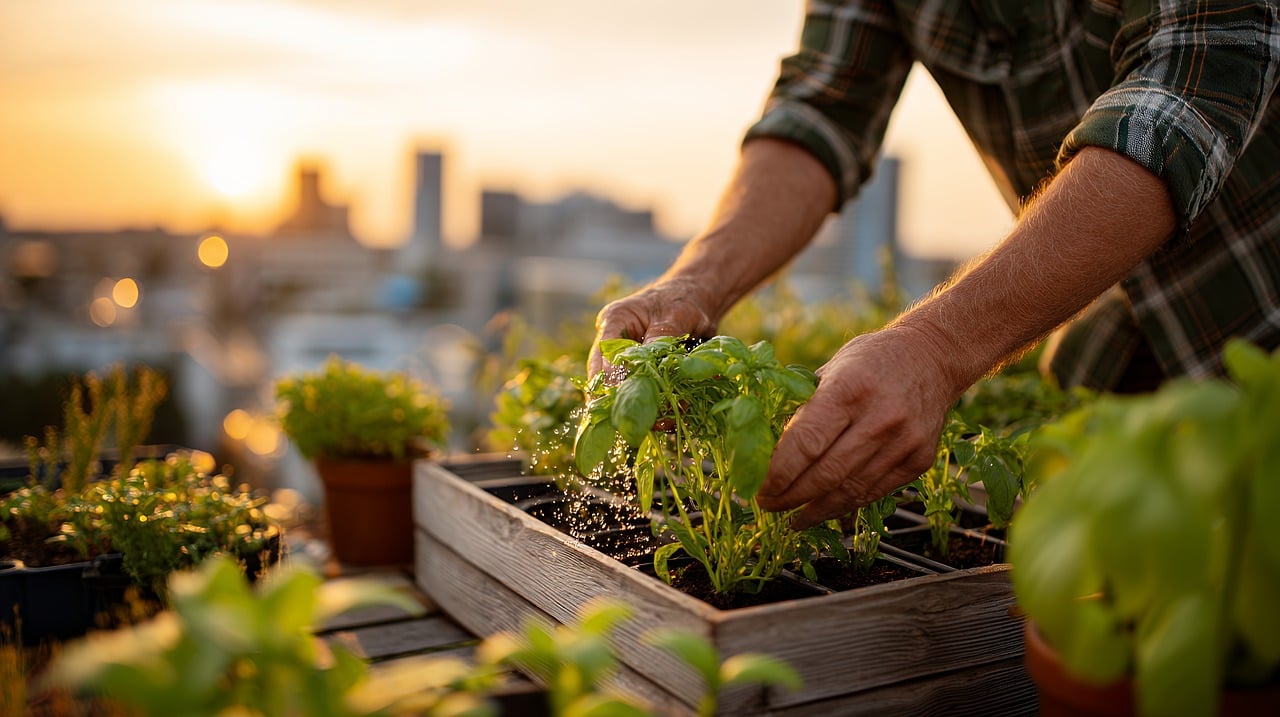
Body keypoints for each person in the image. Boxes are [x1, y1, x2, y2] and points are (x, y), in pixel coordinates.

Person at [589, 2, 1280, 529]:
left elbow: (1189, 83)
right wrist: (694, 282)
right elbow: (824, 107)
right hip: (1116, 354)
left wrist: (938, 346)